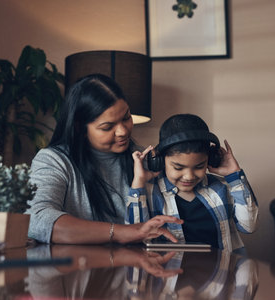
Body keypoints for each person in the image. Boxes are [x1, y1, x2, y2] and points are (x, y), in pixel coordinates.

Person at [26, 74, 182, 244]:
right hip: (79, 267)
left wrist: (215, 172)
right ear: (80, 128)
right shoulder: (53, 160)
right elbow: (35, 218)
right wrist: (123, 232)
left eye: (126, 118)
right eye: (107, 127)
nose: (123, 131)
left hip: (138, 264)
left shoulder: (144, 158)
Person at [129, 113, 258, 253]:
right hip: (169, 272)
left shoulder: (223, 187)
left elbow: (249, 226)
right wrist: (138, 183)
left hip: (221, 271)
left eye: (199, 167)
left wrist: (235, 176)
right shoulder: (149, 192)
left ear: (210, 160)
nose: (189, 176)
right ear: (158, 161)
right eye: (178, 168)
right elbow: (135, 240)